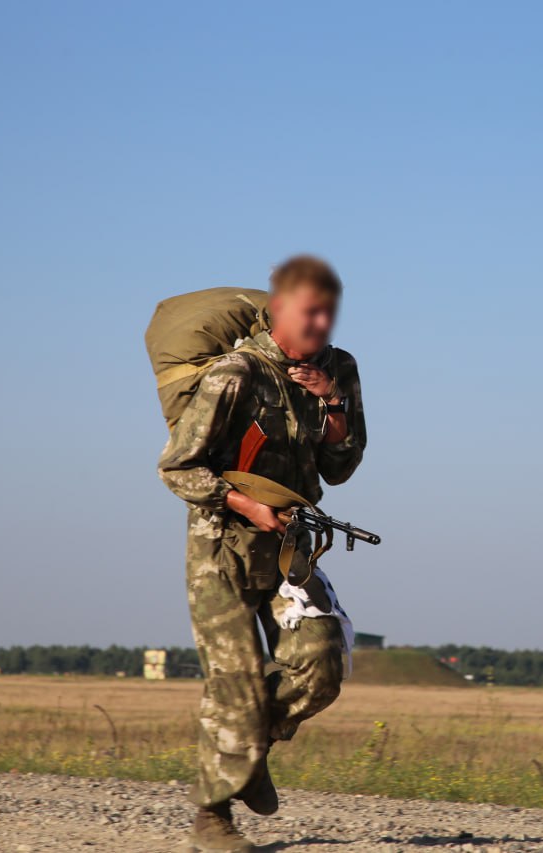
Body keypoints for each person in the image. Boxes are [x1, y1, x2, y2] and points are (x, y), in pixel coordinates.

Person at [157, 255, 367, 852]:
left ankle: (250, 748)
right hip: (222, 545)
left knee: (322, 660)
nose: (321, 325)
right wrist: (243, 504)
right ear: (278, 310)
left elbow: (342, 466)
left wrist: (332, 406)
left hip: (289, 544)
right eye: (310, 313)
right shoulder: (235, 374)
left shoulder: (340, 369)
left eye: (330, 313)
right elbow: (178, 468)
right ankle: (213, 820)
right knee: (237, 684)